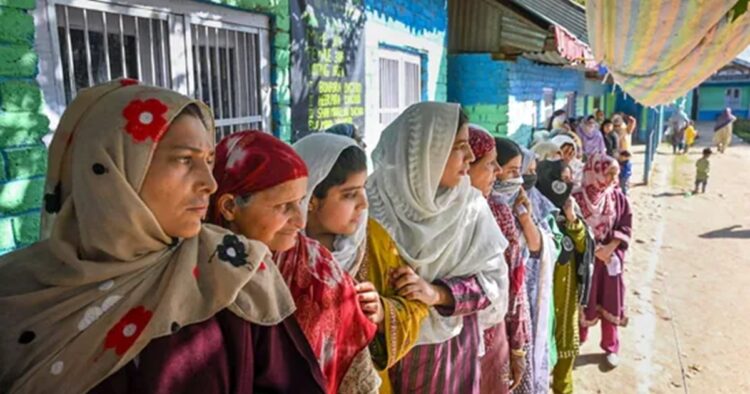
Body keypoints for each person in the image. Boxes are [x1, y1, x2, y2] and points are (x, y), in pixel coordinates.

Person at [0, 80, 326, 393]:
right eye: (185, 160)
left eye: (209, 161)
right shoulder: (16, 293)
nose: (209, 184)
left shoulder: (233, 274)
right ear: (113, 171)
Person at [207, 131, 377, 394]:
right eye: (284, 206)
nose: (300, 221)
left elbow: (356, 378)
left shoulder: (319, 271)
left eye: (300, 202)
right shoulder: (192, 270)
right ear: (229, 206)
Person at [365, 102, 508, 394]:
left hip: (447, 354)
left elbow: (494, 283)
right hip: (378, 349)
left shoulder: (470, 207)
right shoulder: (368, 203)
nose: (470, 156)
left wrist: (437, 293)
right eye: (459, 146)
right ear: (427, 151)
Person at [535, 159, 594, 394]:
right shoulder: (536, 212)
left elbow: (583, 247)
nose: (569, 185)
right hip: (541, 303)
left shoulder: (572, 210)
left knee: (565, 360)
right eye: (563, 180)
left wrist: (572, 219)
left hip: (566, 301)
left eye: (571, 179)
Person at [489, 138, 539, 394]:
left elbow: (535, 245)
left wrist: (523, 215)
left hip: (516, 303)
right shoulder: (484, 208)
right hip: (493, 313)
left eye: (520, 172)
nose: (517, 179)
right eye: (512, 172)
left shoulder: (518, 201)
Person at [573, 154, 632, 369]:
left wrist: (609, 248)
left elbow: (625, 223)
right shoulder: (577, 198)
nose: (611, 180)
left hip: (608, 260)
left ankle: (611, 346)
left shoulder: (616, 197)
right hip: (585, 260)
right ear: (594, 171)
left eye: (614, 175)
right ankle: (578, 340)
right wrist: (592, 250)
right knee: (584, 301)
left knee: (610, 301)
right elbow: (570, 228)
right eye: (608, 174)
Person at [466, 126, 512, 394]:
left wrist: (518, 343)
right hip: (446, 352)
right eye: (489, 163)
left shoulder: (494, 209)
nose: (499, 170)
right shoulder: (414, 220)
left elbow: (506, 284)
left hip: (493, 337)